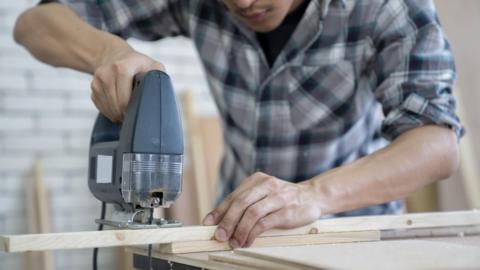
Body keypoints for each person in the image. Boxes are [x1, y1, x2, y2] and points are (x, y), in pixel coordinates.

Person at [14, 0, 463, 249]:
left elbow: (436, 144)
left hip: (350, 235)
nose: (243, 2)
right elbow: (35, 23)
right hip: (236, 238)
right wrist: (108, 53)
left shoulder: (386, 8)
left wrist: (314, 194)